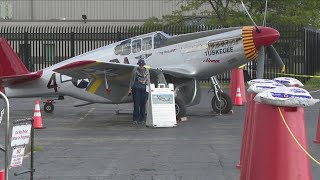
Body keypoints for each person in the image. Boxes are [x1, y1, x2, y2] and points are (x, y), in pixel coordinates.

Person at [128, 59, 150, 124]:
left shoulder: (147, 70)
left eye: (142, 65)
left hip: (144, 89)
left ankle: (142, 119)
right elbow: (132, 79)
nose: (141, 66)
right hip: (136, 88)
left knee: (143, 104)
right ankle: (135, 119)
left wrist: (148, 90)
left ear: (144, 65)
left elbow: (148, 80)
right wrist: (130, 88)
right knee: (136, 104)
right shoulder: (135, 70)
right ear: (138, 65)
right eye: (140, 65)